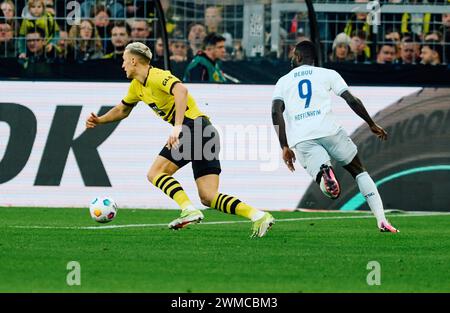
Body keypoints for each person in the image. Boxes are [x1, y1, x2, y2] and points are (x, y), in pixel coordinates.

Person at [85, 42, 274, 238]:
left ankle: (188, 210)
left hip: (195, 128)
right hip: (206, 132)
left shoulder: (157, 76)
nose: (123, 65)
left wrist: (177, 127)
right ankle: (258, 215)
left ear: (133, 60)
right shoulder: (136, 87)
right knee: (208, 197)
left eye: (124, 61)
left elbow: (181, 91)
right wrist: (100, 120)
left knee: (155, 173)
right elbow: (122, 109)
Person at [271, 41, 399, 233]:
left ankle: (325, 174)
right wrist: (371, 123)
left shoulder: (283, 81)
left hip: (303, 137)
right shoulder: (328, 74)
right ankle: (381, 220)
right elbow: (351, 100)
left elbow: (275, 112)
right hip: (330, 130)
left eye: (292, 55)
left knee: (328, 190)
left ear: (298, 57)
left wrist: (284, 146)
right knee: (359, 171)